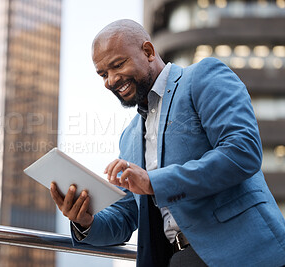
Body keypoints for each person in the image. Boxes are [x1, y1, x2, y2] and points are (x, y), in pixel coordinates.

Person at [50, 19, 285, 267]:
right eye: (103, 74)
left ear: (149, 52)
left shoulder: (202, 77)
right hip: (179, 259)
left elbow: (241, 152)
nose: (111, 80)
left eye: (117, 65)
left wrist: (153, 181)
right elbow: (127, 214)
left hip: (245, 251)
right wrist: (86, 220)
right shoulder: (129, 137)